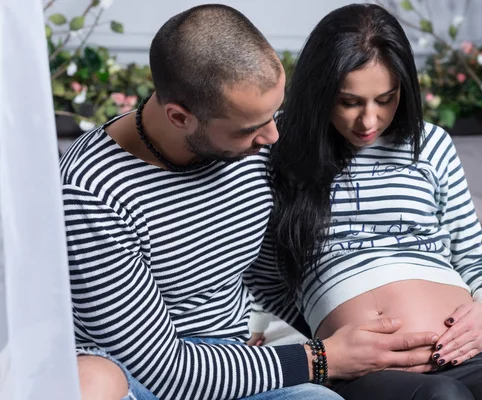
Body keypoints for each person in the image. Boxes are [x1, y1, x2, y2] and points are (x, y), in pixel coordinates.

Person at [60, 4, 444, 400]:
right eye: (250, 129)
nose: (272, 138)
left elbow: (269, 271)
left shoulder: (253, 143)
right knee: (93, 386)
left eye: (274, 114)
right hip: (139, 375)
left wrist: (349, 332)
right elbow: (167, 371)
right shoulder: (91, 192)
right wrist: (322, 358)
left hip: (238, 365)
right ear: (179, 117)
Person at [269, 3, 482, 400]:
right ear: (319, 91)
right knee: (443, 398)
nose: (369, 121)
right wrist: (326, 349)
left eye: (385, 99)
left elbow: (471, 254)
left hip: (468, 348)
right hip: (367, 363)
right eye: (350, 102)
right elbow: (261, 273)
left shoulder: (431, 144)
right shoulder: (278, 145)